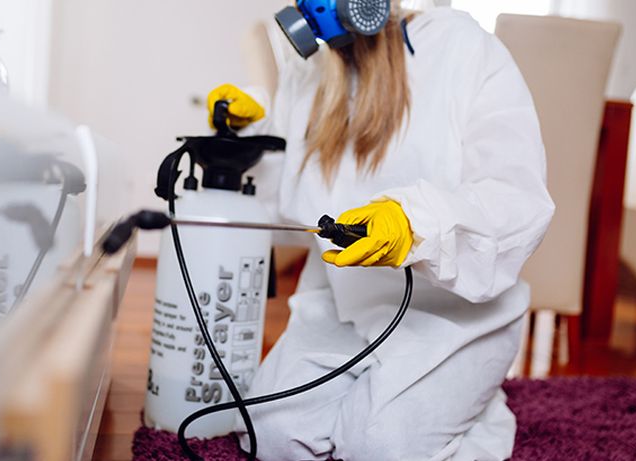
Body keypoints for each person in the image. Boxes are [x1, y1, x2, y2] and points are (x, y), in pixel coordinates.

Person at [206, 4, 554, 460]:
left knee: (381, 446)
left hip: (458, 317)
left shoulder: (462, 49)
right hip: (343, 305)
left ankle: (476, 406)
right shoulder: (314, 66)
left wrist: (415, 223)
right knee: (271, 433)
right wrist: (252, 135)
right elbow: (288, 204)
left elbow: (516, 199)